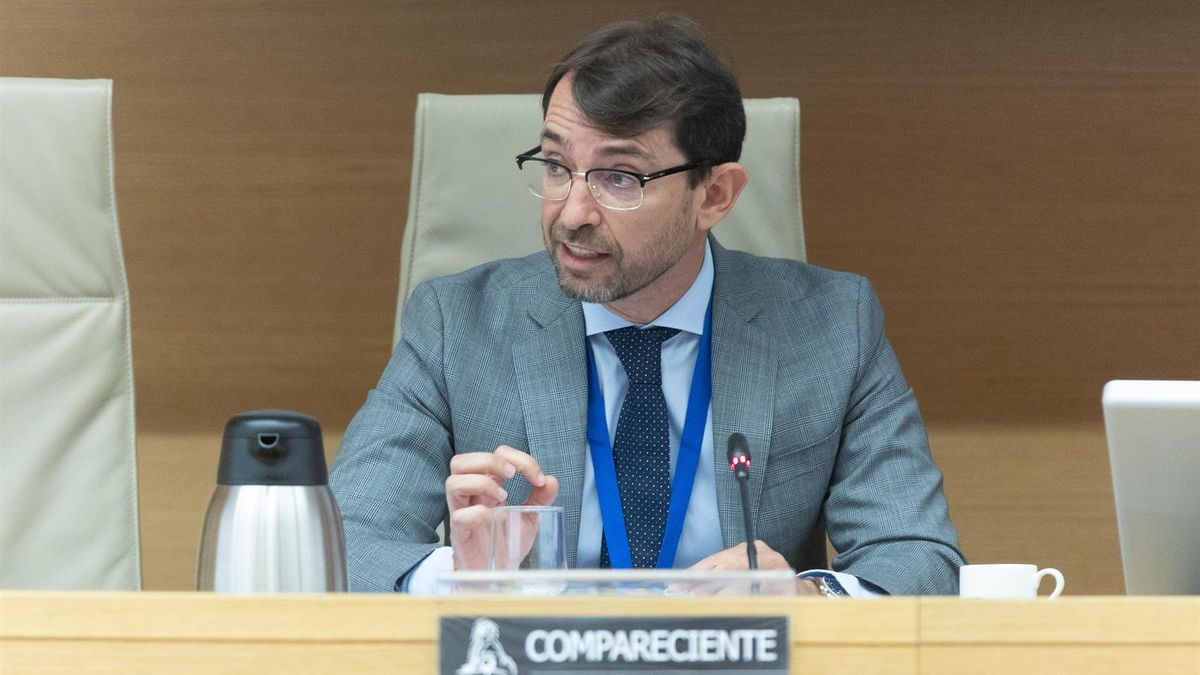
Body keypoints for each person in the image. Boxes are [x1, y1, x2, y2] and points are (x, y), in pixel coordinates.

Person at [330, 15, 964, 596]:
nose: (571, 214)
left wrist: (809, 596)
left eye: (619, 178)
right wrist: (460, 577)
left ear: (714, 194)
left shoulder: (833, 326)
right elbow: (344, 545)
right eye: (556, 166)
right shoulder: (455, 324)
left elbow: (919, 557)